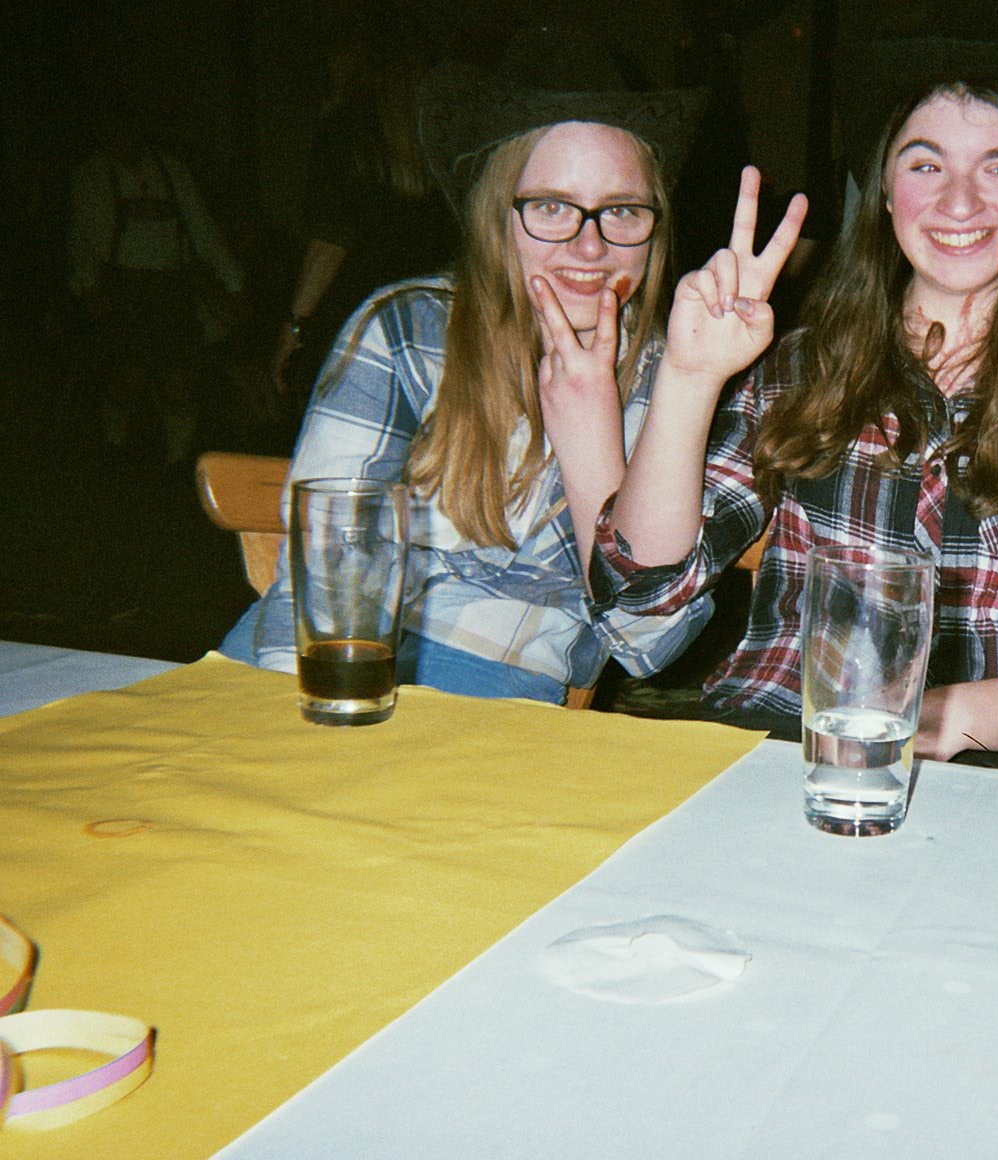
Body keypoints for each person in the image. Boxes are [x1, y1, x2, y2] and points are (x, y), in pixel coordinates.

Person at [591, 58, 998, 765]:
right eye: (926, 166)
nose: (960, 202)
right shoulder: (804, 369)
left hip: (978, 781)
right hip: (771, 746)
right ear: (886, 196)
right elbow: (644, 589)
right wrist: (690, 378)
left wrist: (922, 721)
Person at [219, 29, 712, 705]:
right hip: (324, 662)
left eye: (622, 210)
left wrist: (596, 438)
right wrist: (302, 715)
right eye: (551, 207)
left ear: (654, 224)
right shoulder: (407, 332)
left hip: (492, 690)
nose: (589, 245)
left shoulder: (672, 377)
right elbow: (327, 567)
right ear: (495, 214)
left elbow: (649, 643)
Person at [268, 10, 458, 415]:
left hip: (359, 326)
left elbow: (328, 244)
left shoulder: (345, 134)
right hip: (431, 318)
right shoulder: (442, 144)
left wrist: (293, 326)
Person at [66, 101, 246, 467]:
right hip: (120, 287)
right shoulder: (93, 174)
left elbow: (202, 229)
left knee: (178, 377)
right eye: (115, 129)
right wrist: (87, 288)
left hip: (169, 288)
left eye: (129, 128)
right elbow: (82, 239)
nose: (124, 138)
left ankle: (177, 461)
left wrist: (234, 283)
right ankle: (113, 448)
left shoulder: (170, 170)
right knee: (126, 376)